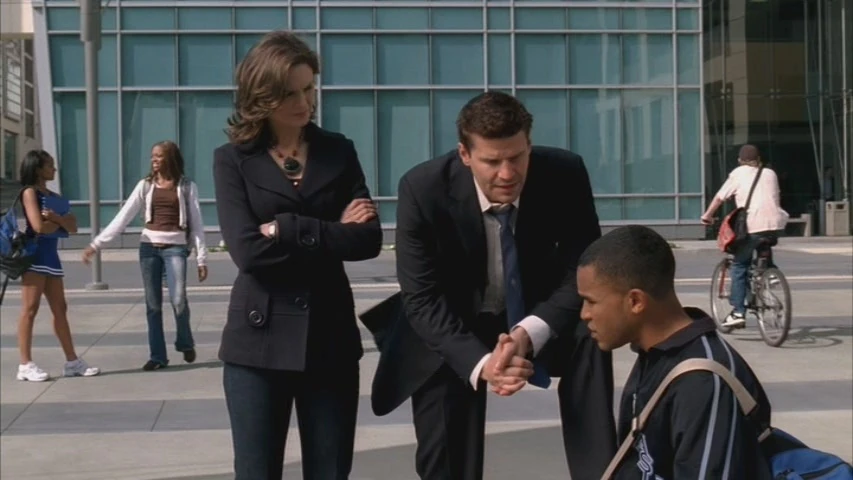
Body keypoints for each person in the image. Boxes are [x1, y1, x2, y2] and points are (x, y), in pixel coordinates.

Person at [370, 91, 616, 479]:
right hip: (455, 320)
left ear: (529, 145)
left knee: (592, 328)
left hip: (538, 312)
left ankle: (602, 472)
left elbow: (583, 270)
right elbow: (422, 299)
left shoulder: (564, 172)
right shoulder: (422, 189)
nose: (507, 173)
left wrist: (527, 332)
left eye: (517, 157)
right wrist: (484, 364)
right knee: (444, 437)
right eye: (492, 161)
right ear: (464, 155)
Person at [212, 31, 383, 480]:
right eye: (290, 93)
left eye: (309, 88)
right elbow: (249, 253)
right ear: (262, 96)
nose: (304, 102)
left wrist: (286, 229)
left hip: (330, 339)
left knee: (331, 471)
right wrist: (333, 231)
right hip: (257, 344)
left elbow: (368, 240)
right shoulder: (232, 160)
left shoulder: (338, 150)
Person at [576, 225, 773, 479]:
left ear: (635, 301)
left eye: (591, 301)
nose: (584, 314)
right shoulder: (654, 353)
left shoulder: (703, 382)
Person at [82, 140, 208, 371]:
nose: (154, 160)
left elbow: (197, 223)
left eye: (159, 156)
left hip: (176, 248)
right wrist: (97, 244)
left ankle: (185, 343)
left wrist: (202, 258)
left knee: (178, 300)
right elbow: (124, 216)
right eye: (152, 156)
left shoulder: (187, 186)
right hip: (149, 248)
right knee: (153, 305)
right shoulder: (146, 185)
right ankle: (158, 357)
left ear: (170, 158)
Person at [15, 149, 100, 381]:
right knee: (30, 309)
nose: (54, 169)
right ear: (37, 169)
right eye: (49, 165)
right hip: (34, 257)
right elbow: (38, 227)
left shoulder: (54, 197)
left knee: (60, 309)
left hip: (52, 258)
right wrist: (58, 223)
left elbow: (72, 227)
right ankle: (25, 364)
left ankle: (72, 361)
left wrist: (55, 219)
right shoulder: (30, 193)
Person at [701, 144, 789, 328]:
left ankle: (738, 312)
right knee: (763, 242)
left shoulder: (738, 173)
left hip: (752, 225)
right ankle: (769, 271)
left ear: (740, 160)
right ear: (759, 160)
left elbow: (720, 197)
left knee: (739, 266)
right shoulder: (770, 173)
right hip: (776, 224)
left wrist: (707, 215)